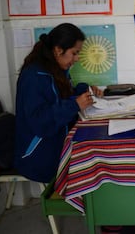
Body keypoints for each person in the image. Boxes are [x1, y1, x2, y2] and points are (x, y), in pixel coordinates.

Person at [14, 23, 103, 184]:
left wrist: (84, 91)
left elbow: (62, 98)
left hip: (57, 142)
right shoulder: (33, 76)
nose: (76, 59)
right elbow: (40, 121)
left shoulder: (55, 70)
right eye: (74, 53)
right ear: (58, 50)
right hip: (39, 154)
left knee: (97, 156)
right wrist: (75, 104)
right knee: (94, 164)